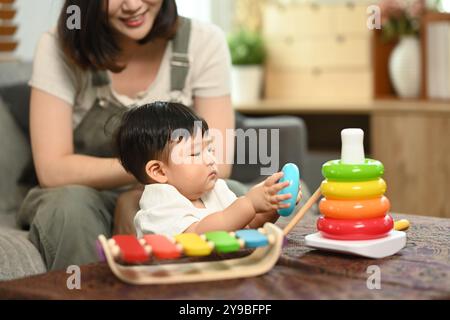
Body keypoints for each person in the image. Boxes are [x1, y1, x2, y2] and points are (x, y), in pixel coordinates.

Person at [17, 0, 240, 271]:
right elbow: (52, 169)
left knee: (236, 196)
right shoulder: (58, 47)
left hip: (175, 189)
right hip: (85, 193)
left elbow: (219, 160)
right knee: (69, 209)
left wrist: (142, 195)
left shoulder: (204, 42)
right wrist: (140, 179)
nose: (133, 5)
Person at [115, 101, 301, 237]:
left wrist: (273, 204)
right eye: (195, 153)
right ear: (159, 171)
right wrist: (249, 203)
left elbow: (246, 225)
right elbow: (198, 233)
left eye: (210, 149)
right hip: (174, 281)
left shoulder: (215, 189)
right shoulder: (159, 201)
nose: (211, 159)